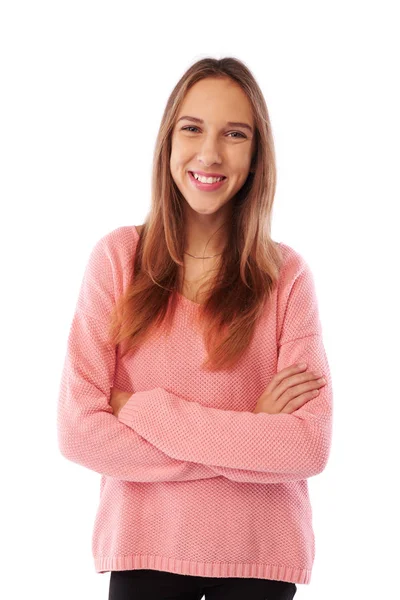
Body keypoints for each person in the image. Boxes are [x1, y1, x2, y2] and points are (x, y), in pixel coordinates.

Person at [57, 56, 333, 600]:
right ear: (168, 141)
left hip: (262, 553)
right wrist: (249, 434)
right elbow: (77, 431)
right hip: (145, 544)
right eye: (192, 128)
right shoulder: (118, 259)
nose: (209, 154)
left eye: (235, 134)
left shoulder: (288, 277)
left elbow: (307, 446)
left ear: (256, 156)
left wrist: (139, 409)